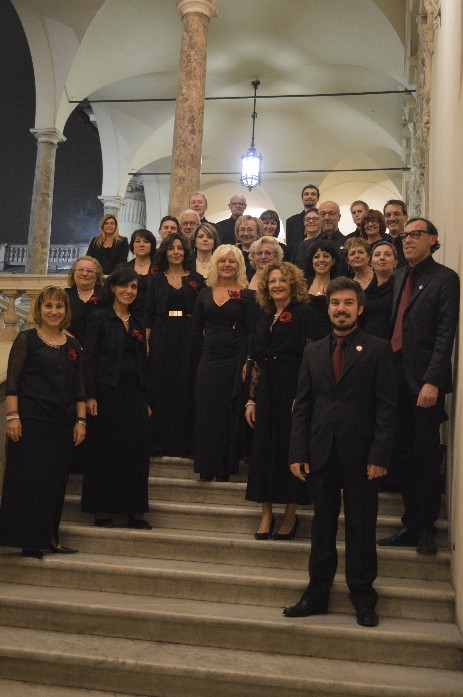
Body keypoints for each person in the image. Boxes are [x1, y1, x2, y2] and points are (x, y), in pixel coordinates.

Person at [284, 277, 396, 627]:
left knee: (362, 528)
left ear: (360, 309)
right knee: (322, 527)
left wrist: (379, 455)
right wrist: (297, 451)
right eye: (335, 303)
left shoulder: (378, 349)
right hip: (321, 453)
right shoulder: (313, 351)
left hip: (363, 458)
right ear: (328, 308)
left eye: (348, 303)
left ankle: (363, 598)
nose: (341, 309)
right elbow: (302, 405)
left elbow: (387, 407)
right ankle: (316, 594)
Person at [378, 218, 460, 555]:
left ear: (433, 239)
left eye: (415, 235)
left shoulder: (445, 279)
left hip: (423, 381)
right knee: (403, 455)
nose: (407, 240)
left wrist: (432, 380)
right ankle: (410, 524)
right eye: (404, 236)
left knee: (425, 456)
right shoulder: (400, 276)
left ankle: (426, 529)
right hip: (395, 378)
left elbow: (445, 335)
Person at [0, 286, 86, 558]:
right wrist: (12, 417)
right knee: (29, 482)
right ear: (39, 310)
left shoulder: (72, 345)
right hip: (30, 421)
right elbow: (12, 383)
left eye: (59, 307)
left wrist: (81, 420)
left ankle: (51, 538)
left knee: (55, 483)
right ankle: (28, 540)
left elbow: (79, 388)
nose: (54, 311)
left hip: (61, 423)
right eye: (48, 306)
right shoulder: (27, 339)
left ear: (65, 311)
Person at [245, 262, 314, 539]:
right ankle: (265, 514)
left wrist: (302, 395)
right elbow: (257, 361)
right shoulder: (265, 317)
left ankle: (289, 515)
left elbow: (311, 358)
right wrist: (251, 400)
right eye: (272, 281)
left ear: (293, 284)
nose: (277, 285)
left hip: (292, 389)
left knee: (290, 451)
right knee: (262, 451)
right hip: (266, 391)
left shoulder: (305, 314)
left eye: (282, 281)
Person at [81, 267, 152, 529]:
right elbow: (88, 358)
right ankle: (103, 510)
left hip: (134, 394)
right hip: (106, 392)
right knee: (105, 451)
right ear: (113, 288)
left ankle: (135, 510)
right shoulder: (99, 317)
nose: (129, 291)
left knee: (136, 451)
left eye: (133, 287)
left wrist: (145, 400)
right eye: (124, 286)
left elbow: (142, 363)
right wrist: (90, 394)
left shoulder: (137, 322)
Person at [193, 245, 255, 482]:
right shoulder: (204, 293)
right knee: (206, 409)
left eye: (232, 261)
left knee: (229, 411)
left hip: (235, 358)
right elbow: (196, 330)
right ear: (216, 264)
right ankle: (206, 465)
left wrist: (247, 361)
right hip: (209, 358)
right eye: (223, 261)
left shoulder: (247, 295)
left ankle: (225, 466)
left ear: (239, 265)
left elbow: (252, 333)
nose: (227, 265)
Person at [144, 233, 204, 456]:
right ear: (165, 252)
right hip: (162, 334)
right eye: (171, 248)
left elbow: (200, 313)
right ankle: (160, 442)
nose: (176, 252)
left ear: (186, 252)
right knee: (162, 385)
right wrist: (147, 340)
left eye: (180, 248)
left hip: (189, 336)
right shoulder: (155, 279)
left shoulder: (197, 279)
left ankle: (185, 444)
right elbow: (148, 313)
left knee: (186, 385)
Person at [360, 240, 397, 340]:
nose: (382, 258)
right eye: (377, 255)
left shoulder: (400, 289)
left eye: (387, 254)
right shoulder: (365, 293)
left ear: (395, 262)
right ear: (371, 262)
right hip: (367, 345)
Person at [65, 256, 105, 347]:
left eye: (90, 271)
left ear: (97, 275)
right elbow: (57, 324)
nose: (84, 273)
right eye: (80, 270)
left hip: (101, 349)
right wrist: (74, 343)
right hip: (70, 348)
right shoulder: (64, 296)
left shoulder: (107, 295)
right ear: (73, 273)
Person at [117, 228, 157, 317]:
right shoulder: (122, 268)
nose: (141, 245)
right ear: (132, 245)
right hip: (127, 316)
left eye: (146, 241)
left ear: (152, 246)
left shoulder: (160, 268)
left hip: (154, 317)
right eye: (137, 241)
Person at [306, 240, 338, 340]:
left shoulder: (338, 286)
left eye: (326, 256)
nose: (321, 260)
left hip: (330, 338)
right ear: (311, 261)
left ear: (333, 261)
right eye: (316, 256)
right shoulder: (302, 285)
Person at [285, 184, 320, 259]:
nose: (309, 196)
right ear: (302, 198)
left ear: (318, 198)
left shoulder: (323, 219)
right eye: (306, 194)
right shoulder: (291, 221)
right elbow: (289, 247)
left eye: (313, 194)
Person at [383, 200, 407, 268]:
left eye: (396, 214)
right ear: (384, 219)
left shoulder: (412, 243)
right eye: (388, 215)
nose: (392, 218)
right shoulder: (379, 245)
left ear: (406, 217)